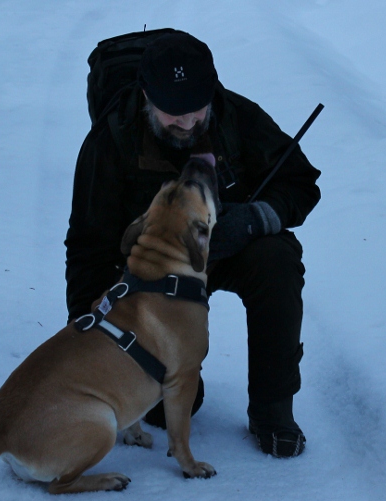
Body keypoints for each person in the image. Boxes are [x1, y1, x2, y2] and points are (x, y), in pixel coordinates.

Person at [65, 31, 321, 458]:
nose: (187, 123)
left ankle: (272, 408)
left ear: (213, 91)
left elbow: (300, 183)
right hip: (149, 279)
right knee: (176, 408)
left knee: (277, 257)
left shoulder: (236, 114)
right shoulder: (111, 140)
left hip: (226, 250)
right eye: (172, 113)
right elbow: (87, 247)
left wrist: (253, 219)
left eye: (196, 111)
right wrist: (87, 335)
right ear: (146, 96)